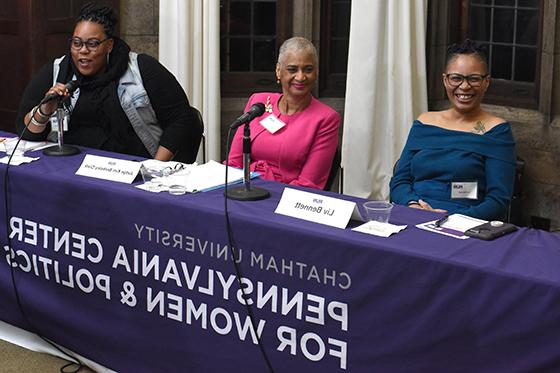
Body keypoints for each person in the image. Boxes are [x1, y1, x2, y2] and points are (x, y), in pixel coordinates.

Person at [15, 2, 202, 163]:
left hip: (133, 170)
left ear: (109, 45)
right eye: (77, 43)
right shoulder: (56, 72)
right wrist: (45, 110)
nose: (83, 51)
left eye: (93, 44)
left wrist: (155, 168)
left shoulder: (141, 68)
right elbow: (26, 133)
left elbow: (182, 120)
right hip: (70, 168)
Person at [390, 39, 516, 221]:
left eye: (473, 78)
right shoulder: (425, 123)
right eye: (456, 78)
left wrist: (450, 219)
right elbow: (400, 181)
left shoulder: (496, 131)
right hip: (412, 214)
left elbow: (497, 200)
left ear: (486, 82)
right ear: (445, 80)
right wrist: (413, 206)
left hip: (463, 224)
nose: (464, 86)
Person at [227, 37, 340, 190]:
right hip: (244, 190)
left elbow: (309, 184)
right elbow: (234, 163)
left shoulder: (326, 118)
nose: (300, 77)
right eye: (292, 69)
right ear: (278, 71)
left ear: (316, 72)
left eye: (308, 70)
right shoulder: (259, 102)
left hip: (285, 199)